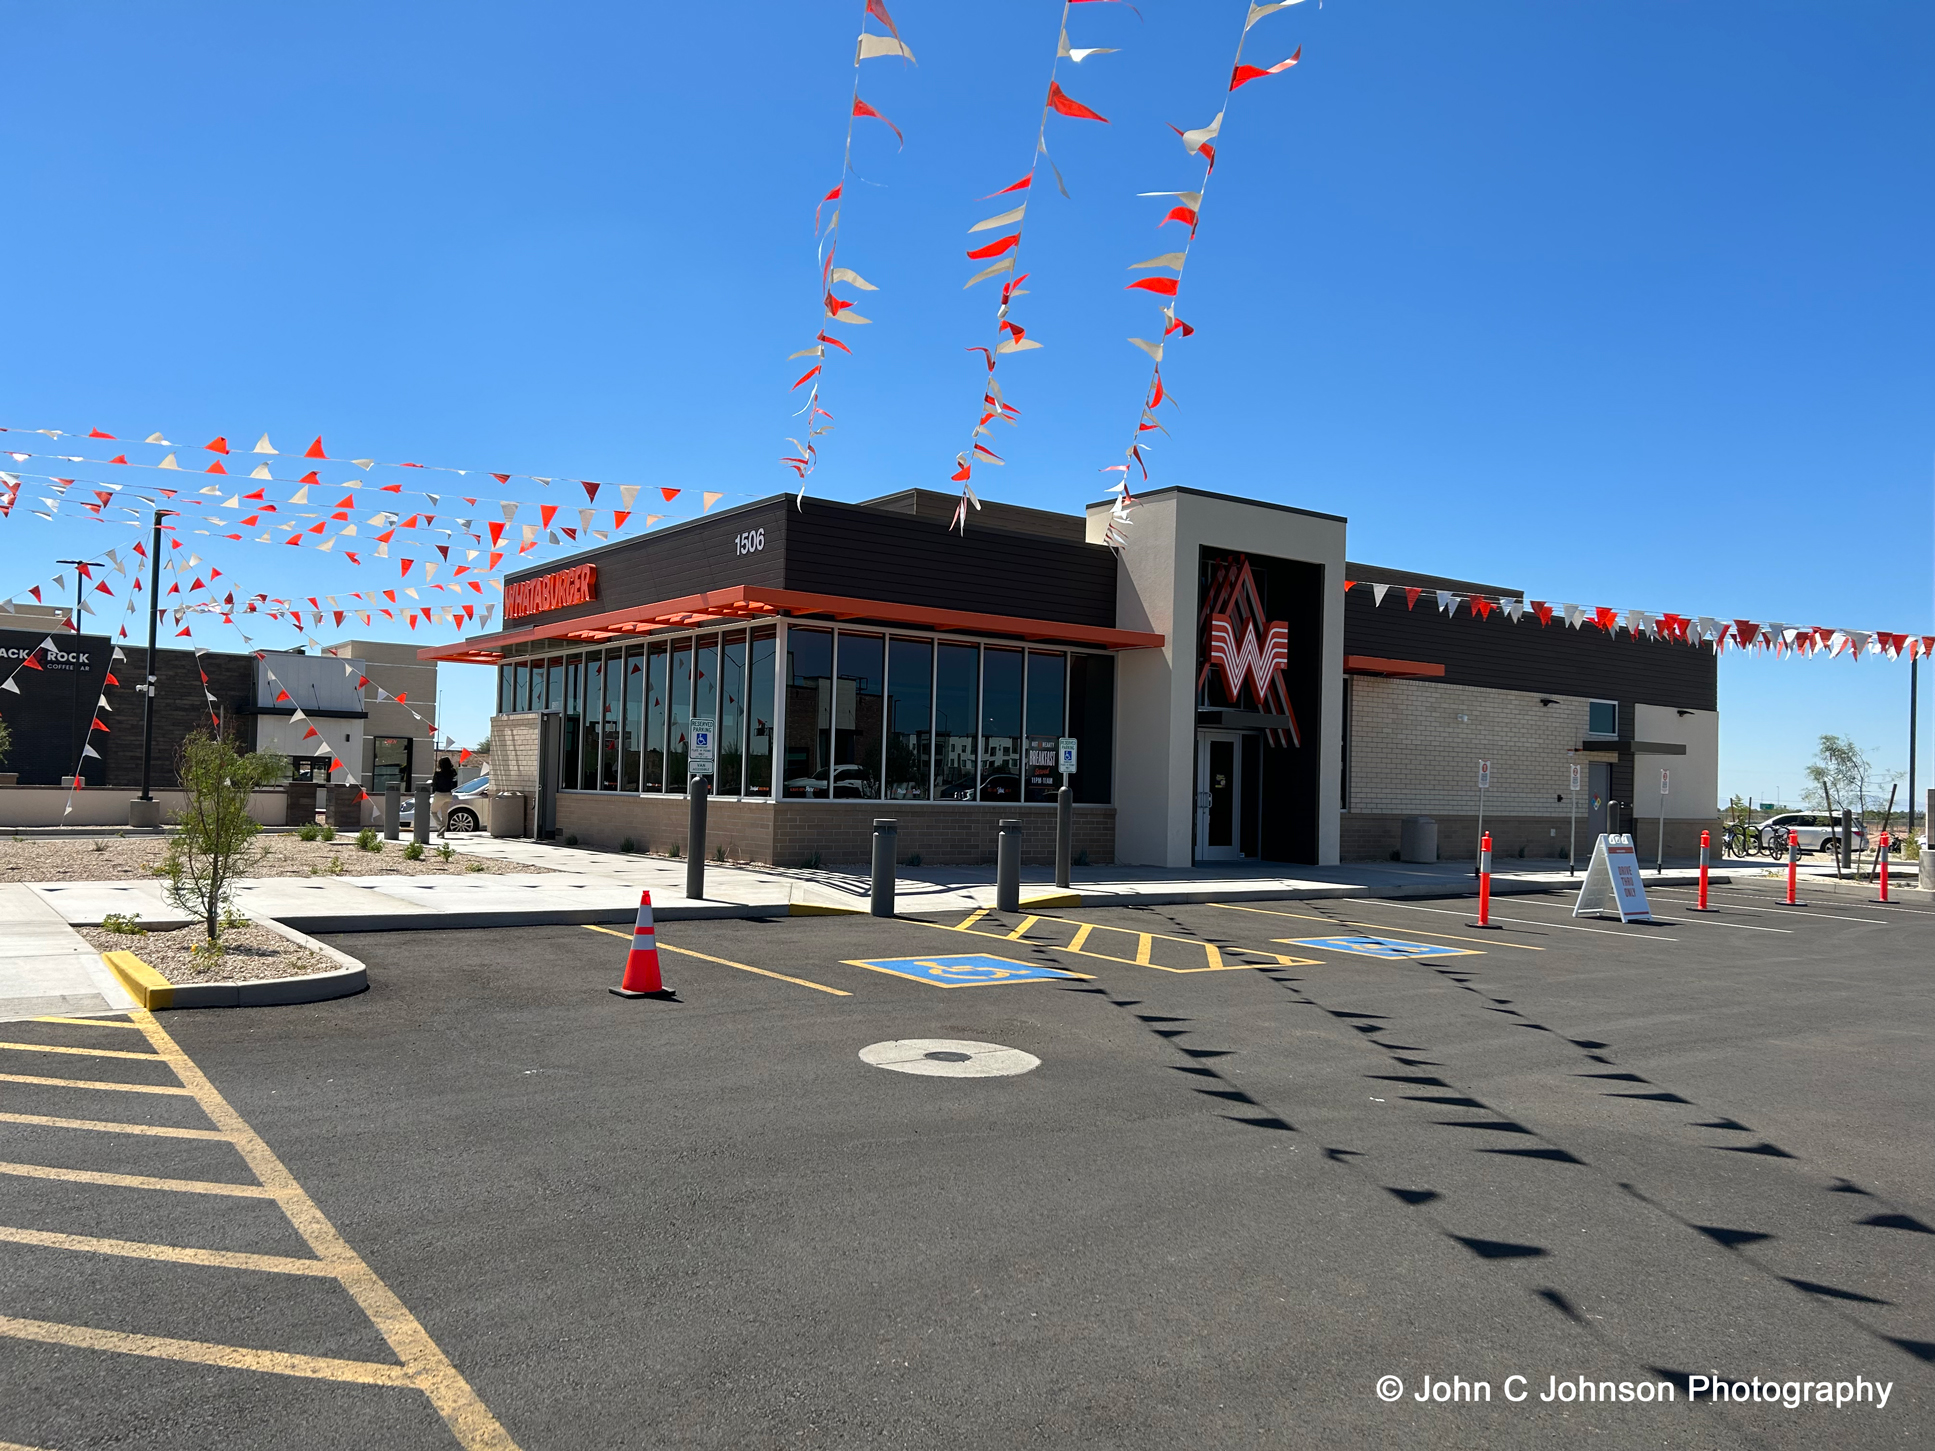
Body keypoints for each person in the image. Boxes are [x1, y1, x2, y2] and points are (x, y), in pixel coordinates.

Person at [430, 756, 459, 836]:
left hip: (439, 794)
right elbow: (454, 775)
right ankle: (442, 833)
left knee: (433, 812)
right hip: (448, 795)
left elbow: (434, 784)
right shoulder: (451, 773)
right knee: (444, 814)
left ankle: (440, 826)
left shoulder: (437, 774)